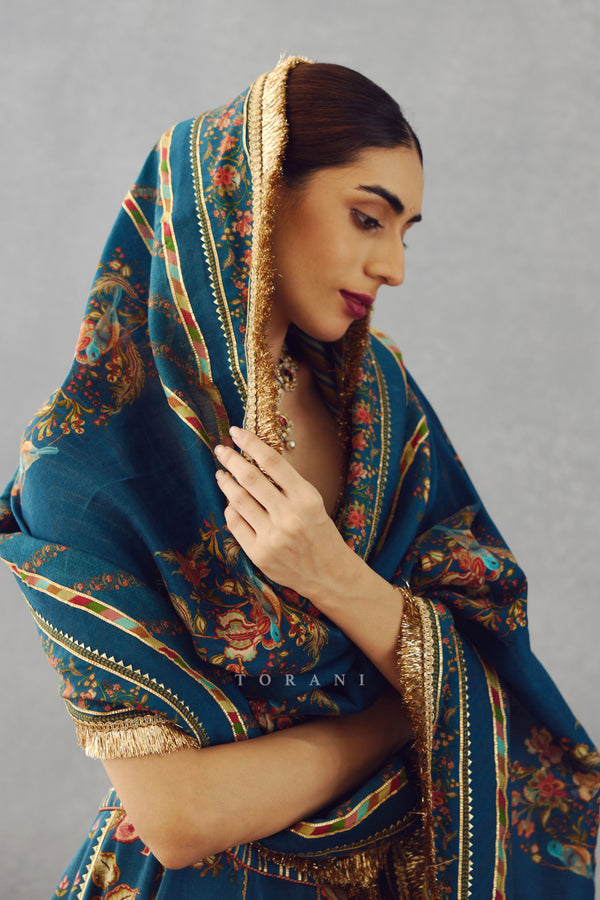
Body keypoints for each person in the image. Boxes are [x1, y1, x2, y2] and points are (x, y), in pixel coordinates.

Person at [0, 55, 598, 900]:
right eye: (368, 218)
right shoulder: (83, 468)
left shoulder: (382, 403)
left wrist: (330, 573)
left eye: (405, 232)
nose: (394, 266)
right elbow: (179, 817)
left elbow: (490, 640)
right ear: (256, 198)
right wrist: (401, 717)